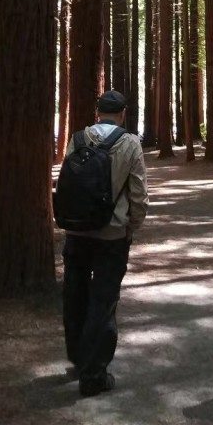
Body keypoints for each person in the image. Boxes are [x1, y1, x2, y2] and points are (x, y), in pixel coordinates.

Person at [60, 90, 149, 397]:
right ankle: (94, 373)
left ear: (97, 111)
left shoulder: (78, 139)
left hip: (77, 231)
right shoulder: (129, 143)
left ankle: (78, 357)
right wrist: (131, 225)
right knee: (104, 300)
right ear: (123, 113)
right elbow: (138, 193)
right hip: (112, 235)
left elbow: (67, 181)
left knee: (75, 293)